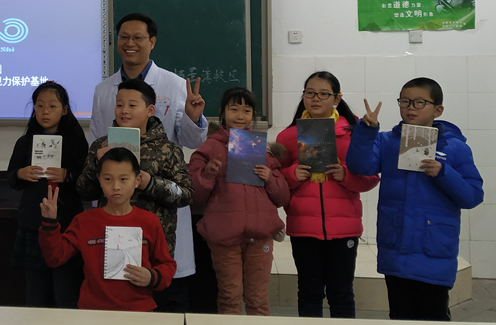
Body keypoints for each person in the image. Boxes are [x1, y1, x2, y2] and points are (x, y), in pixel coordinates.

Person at [88, 12, 207, 312]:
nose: (130, 43)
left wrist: (193, 119)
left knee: (164, 293)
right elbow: (96, 141)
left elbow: (191, 140)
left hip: (159, 208)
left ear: (152, 42)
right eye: (124, 37)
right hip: (117, 205)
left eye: (138, 38)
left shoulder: (174, 85)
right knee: (119, 286)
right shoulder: (103, 90)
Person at [346, 77, 484, 321]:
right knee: (400, 315)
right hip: (396, 247)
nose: (411, 108)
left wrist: (443, 173)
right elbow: (360, 166)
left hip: (434, 250)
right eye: (405, 101)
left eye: (420, 102)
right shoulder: (387, 141)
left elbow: (472, 196)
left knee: (434, 316)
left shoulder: (454, 147)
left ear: (438, 110)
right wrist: (366, 131)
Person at [275, 71, 380, 318]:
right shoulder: (287, 136)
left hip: (344, 228)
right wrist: (292, 174)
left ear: (337, 98)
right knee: (309, 292)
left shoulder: (354, 133)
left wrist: (347, 176)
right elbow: (275, 181)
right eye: (310, 93)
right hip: (303, 226)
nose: (316, 99)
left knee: (341, 293)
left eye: (323, 94)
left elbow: (372, 177)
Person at [188, 87, 289, 315]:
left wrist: (270, 178)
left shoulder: (263, 150)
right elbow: (194, 194)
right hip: (224, 235)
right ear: (222, 112)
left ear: (253, 114)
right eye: (234, 109)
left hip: (260, 234)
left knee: (258, 298)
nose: (240, 116)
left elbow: (282, 197)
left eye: (247, 110)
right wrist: (208, 173)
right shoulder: (209, 147)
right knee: (229, 296)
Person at [39, 147, 176, 311]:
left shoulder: (149, 221)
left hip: (139, 311)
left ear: (137, 180)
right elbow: (55, 257)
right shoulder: (85, 221)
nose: (116, 186)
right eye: (108, 179)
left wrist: (152, 277)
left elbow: (167, 265)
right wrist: (49, 221)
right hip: (93, 311)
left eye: (123, 179)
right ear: (99, 180)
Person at [78, 79, 192, 261]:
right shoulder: (101, 146)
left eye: (132, 105)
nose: (124, 110)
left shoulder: (168, 149)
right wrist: (96, 164)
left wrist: (150, 183)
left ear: (150, 110)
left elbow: (186, 195)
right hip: (110, 239)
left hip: (153, 243)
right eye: (119, 105)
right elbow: (84, 191)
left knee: (150, 278)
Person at [7, 81, 88, 308]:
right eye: (40, 105)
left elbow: (88, 181)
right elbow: (11, 178)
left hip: (66, 224)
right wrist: (21, 173)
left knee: (65, 292)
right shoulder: (25, 142)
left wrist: (68, 175)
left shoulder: (76, 141)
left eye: (52, 106)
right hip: (34, 223)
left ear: (65, 109)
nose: (45, 111)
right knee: (35, 293)